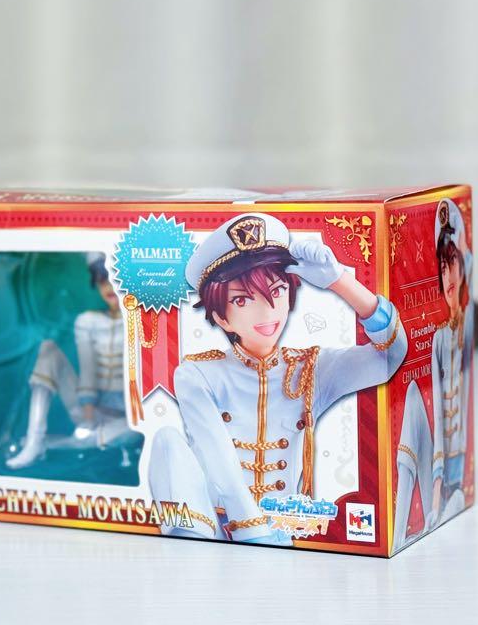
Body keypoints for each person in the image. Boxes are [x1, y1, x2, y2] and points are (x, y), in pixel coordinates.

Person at [148, 213, 407, 545]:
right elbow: (218, 458)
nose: (266, 311)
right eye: (242, 300)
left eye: (277, 290)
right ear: (220, 317)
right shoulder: (198, 374)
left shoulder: (309, 369)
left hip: (281, 534)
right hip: (209, 529)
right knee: (167, 440)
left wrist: (340, 281)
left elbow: (389, 357)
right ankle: (185, 550)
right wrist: (253, 533)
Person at [392, 198, 473, 551]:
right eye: (442, 266)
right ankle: (400, 533)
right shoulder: (439, 337)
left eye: (453, 263)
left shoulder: (468, 326)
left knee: (457, 503)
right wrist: (437, 484)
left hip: (460, 475)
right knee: (412, 397)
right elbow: (439, 412)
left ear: (464, 267)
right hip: (442, 476)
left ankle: (417, 524)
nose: (448, 276)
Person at [7, 254, 131, 469]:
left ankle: (53, 445)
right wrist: (88, 418)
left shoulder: (144, 323)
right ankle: (35, 439)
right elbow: (88, 371)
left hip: (130, 420)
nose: (108, 287)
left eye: (114, 279)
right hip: (92, 411)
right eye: (101, 280)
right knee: (48, 350)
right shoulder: (87, 321)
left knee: (101, 438)